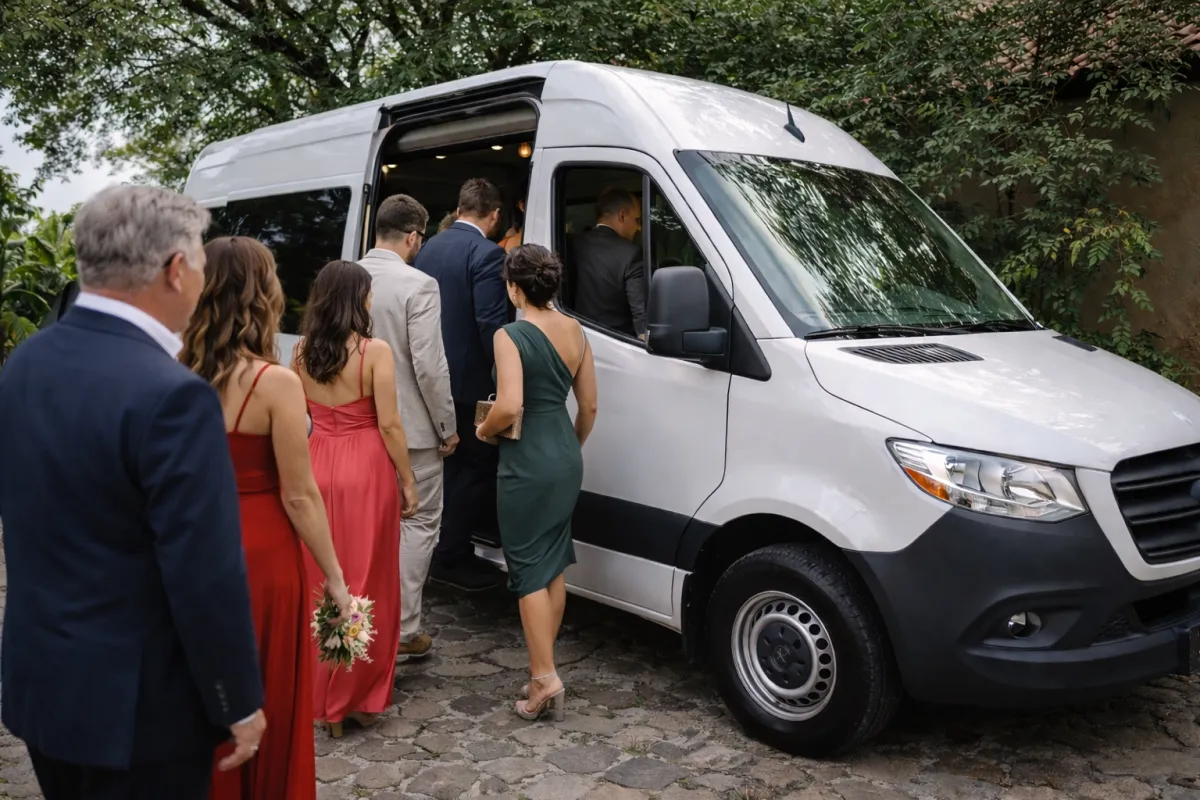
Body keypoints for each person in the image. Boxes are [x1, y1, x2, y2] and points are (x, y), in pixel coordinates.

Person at [0, 185, 265, 799]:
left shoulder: (25, 363)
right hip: (140, 713)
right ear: (175, 270)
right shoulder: (173, 394)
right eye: (199, 261)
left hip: (44, 688)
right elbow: (204, 573)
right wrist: (236, 698)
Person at [180, 236, 353, 799]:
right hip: (262, 555)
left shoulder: (173, 373)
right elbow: (299, 495)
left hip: (192, 547)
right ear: (264, 295)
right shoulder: (273, 382)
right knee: (266, 686)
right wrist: (335, 578)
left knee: (201, 689)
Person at [293, 260, 419, 738]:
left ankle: (322, 692)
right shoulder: (373, 352)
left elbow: (298, 416)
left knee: (321, 576)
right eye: (367, 294)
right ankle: (353, 698)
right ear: (357, 300)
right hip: (365, 467)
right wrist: (408, 480)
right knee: (367, 576)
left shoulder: (301, 351)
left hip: (317, 459)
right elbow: (389, 424)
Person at [475, 244, 598, 721]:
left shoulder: (510, 334)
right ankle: (540, 670)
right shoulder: (577, 330)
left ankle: (544, 679)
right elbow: (589, 406)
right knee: (552, 566)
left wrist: (483, 431)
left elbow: (509, 405)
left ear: (514, 288)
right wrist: (569, 449)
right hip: (565, 453)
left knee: (526, 568)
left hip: (526, 461)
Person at [360, 195, 458, 660]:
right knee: (417, 524)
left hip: (356, 426)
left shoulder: (345, 275)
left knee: (365, 527)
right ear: (414, 237)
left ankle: (361, 620)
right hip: (413, 431)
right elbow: (430, 366)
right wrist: (447, 426)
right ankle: (403, 628)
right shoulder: (419, 284)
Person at [415, 177, 510, 591]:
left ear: (459, 209)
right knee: (476, 469)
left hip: (431, 379)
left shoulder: (428, 248)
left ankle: (438, 548)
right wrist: (506, 375)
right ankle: (452, 555)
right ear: (494, 215)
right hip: (472, 386)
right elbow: (491, 323)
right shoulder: (488, 254)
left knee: (446, 470)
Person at [570, 187, 647, 339]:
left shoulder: (572, 244)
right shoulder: (631, 254)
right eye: (637, 220)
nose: (639, 227)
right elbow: (642, 319)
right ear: (622, 215)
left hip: (577, 339)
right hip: (618, 342)